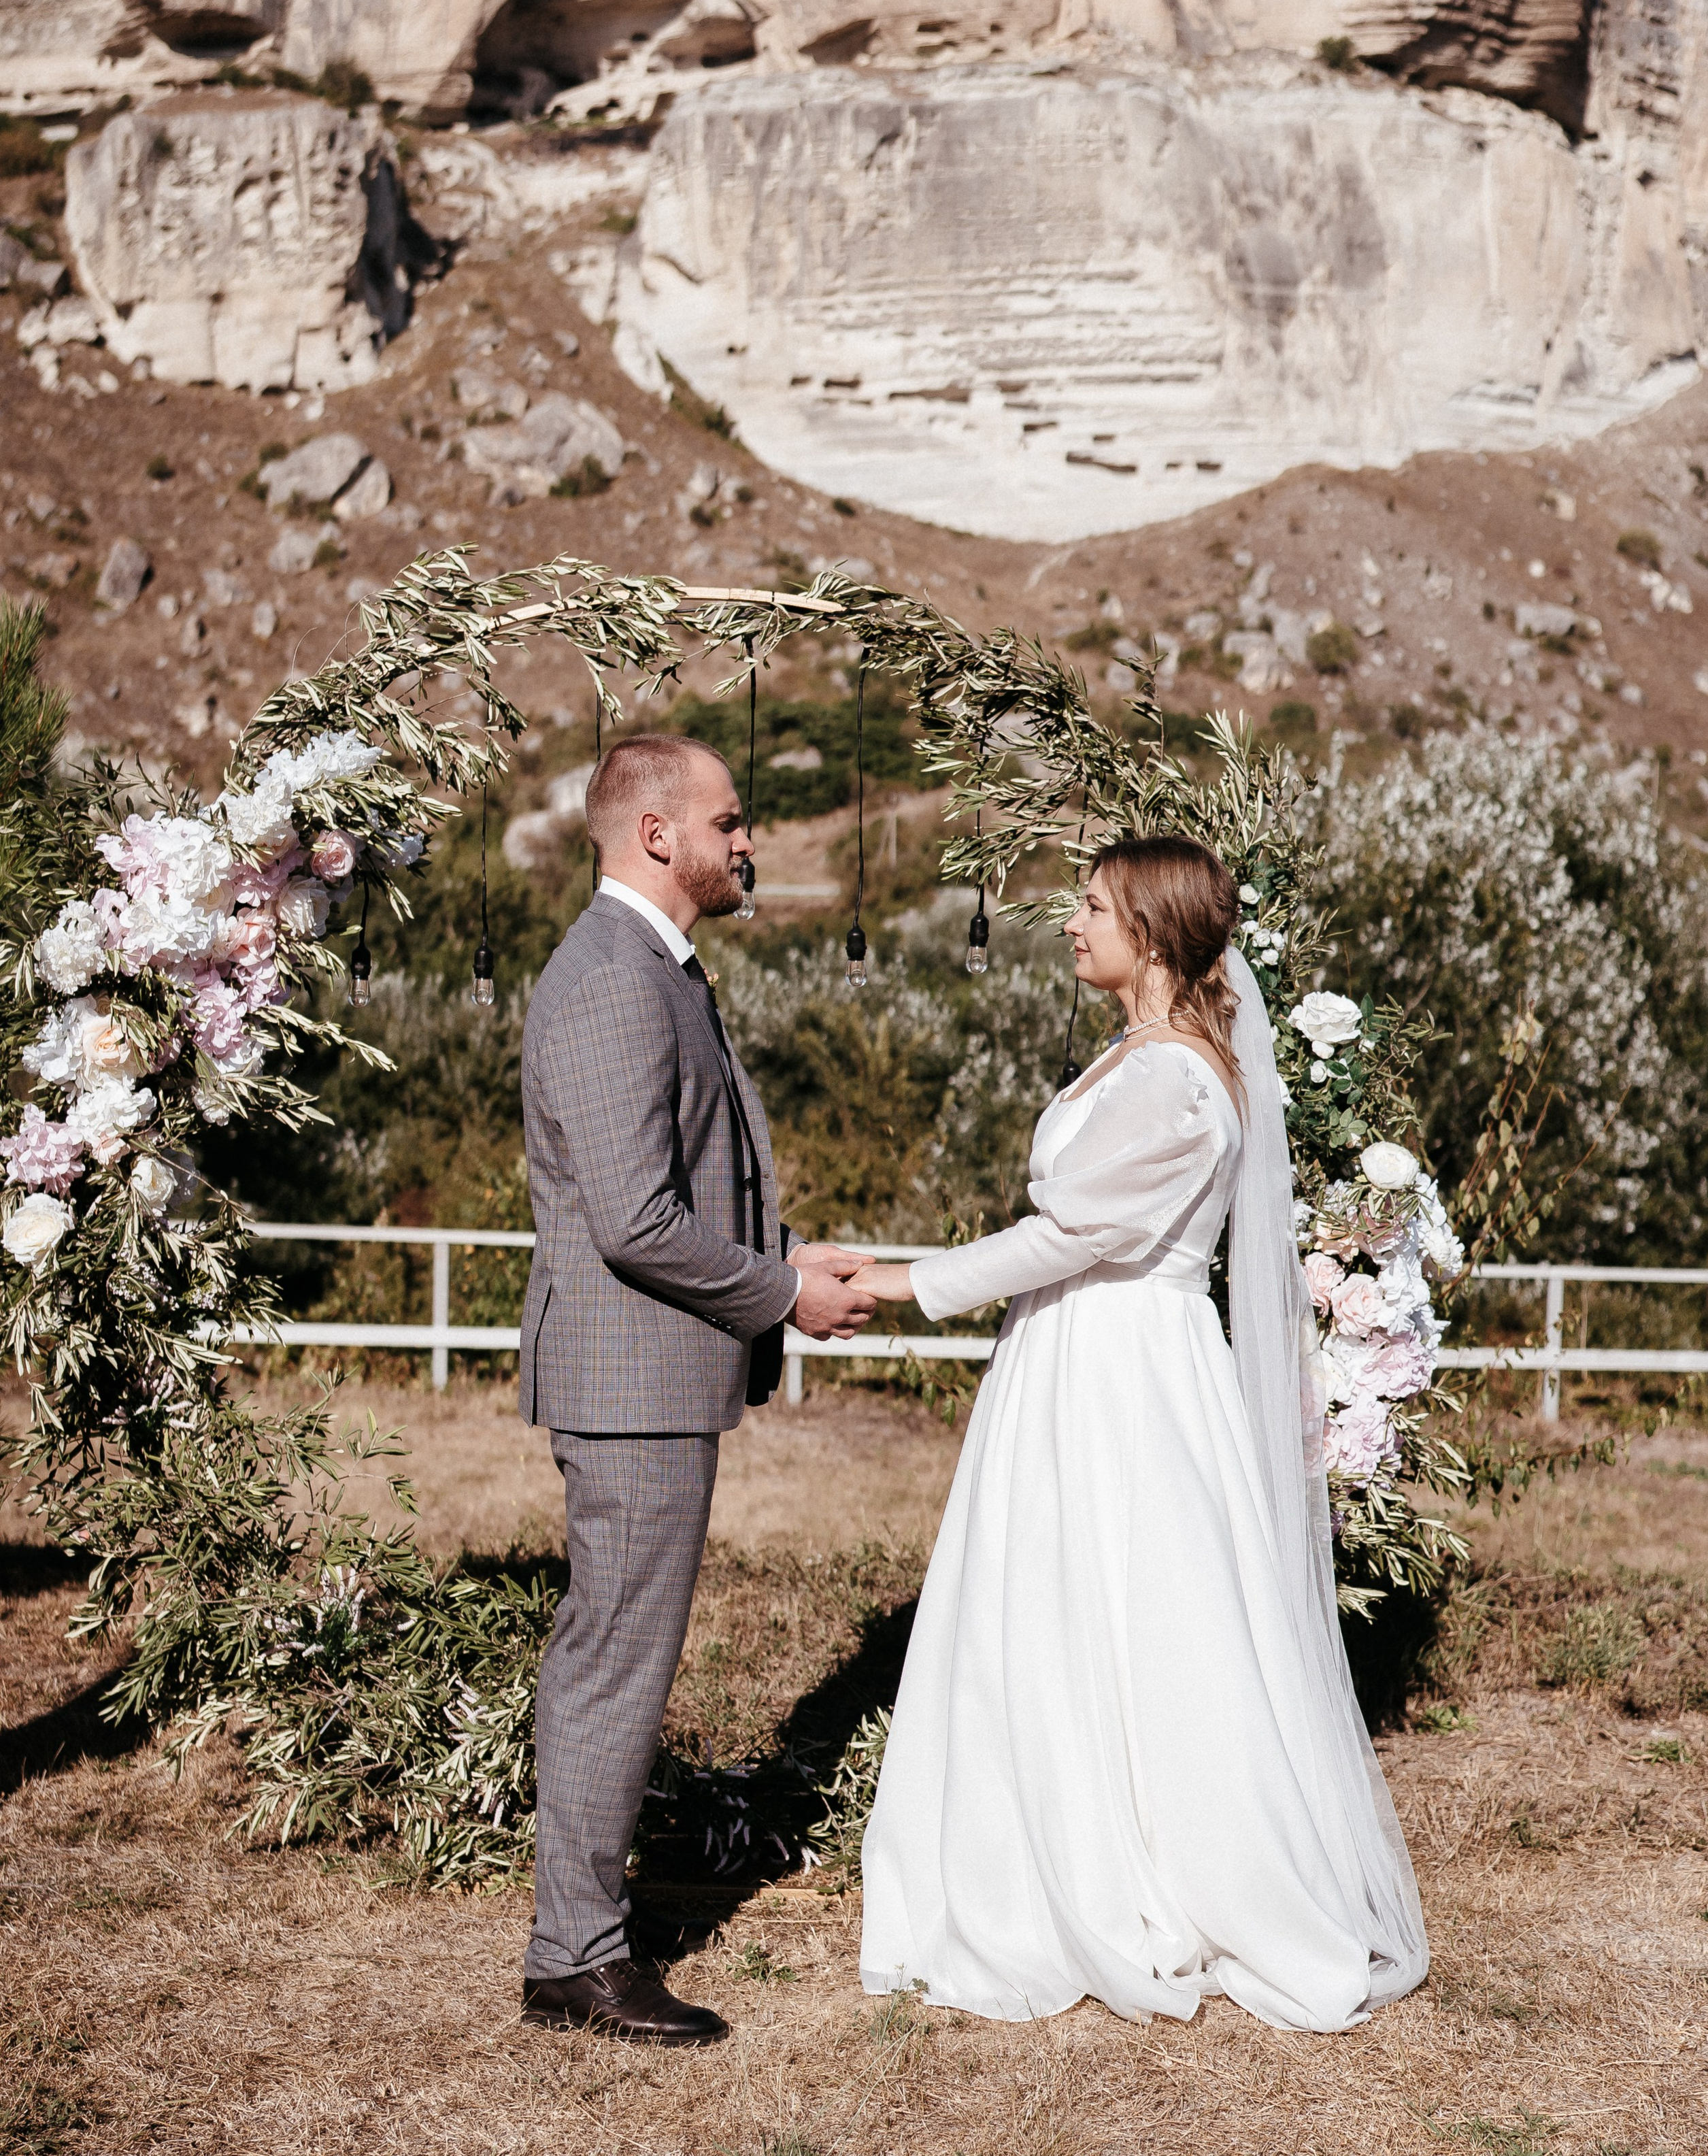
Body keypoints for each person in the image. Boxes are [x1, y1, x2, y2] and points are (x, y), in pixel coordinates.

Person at [858, 833, 1429, 2031]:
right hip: (1071, 1354)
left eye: (1093, 904)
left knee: (1136, 1605)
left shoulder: (1177, 1083)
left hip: (1122, 1365)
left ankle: (1154, 1867)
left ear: (1153, 932)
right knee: (1059, 1602)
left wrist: (909, 1281)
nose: (1071, 922)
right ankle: (1057, 1828)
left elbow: (1080, 1236)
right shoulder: (1139, 1057)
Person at [517, 731, 877, 2044]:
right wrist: (785, 1294)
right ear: (657, 833)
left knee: (614, 1650)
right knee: (615, 1659)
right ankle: (577, 1955)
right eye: (730, 822)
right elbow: (633, 1222)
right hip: (629, 1378)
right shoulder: (614, 975)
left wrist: (784, 1256)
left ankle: (579, 1933)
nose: (748, 842)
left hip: (649, 1373)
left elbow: (674, 1195)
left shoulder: (650, 966)